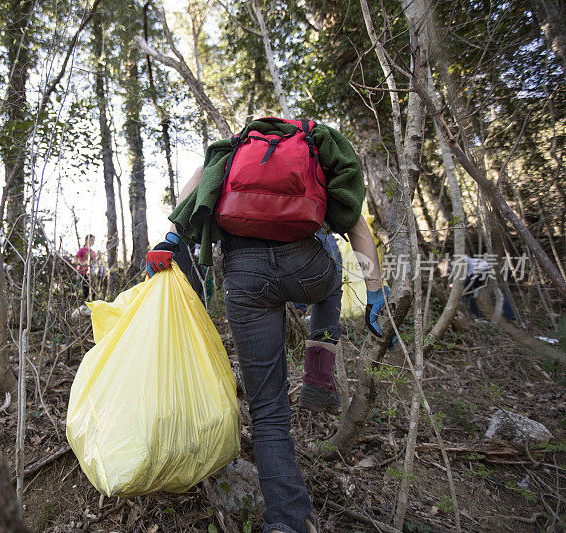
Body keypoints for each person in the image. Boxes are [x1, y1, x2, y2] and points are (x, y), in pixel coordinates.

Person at [145, 118, 393, 533]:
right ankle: (318, 375)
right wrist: (374, 292)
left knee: (268, 411)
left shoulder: (231, 150)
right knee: (331, 274)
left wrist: (167, 241)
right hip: (305, 265)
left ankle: (287, 522)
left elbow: (192, 191)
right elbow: (356, 227)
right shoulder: (315, 148)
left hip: (244, 277)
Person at [75, 234, 97, 299]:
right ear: (86, 240)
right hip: (82, 272)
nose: (93, 242)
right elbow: (74, 260)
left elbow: (95, 263)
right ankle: (84, 305)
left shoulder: (93, 252)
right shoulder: (82, 250)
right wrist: (83, 263)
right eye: (91, 240)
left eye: (94, 240)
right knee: (85, 290)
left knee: (93, 291)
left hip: (91, 273)